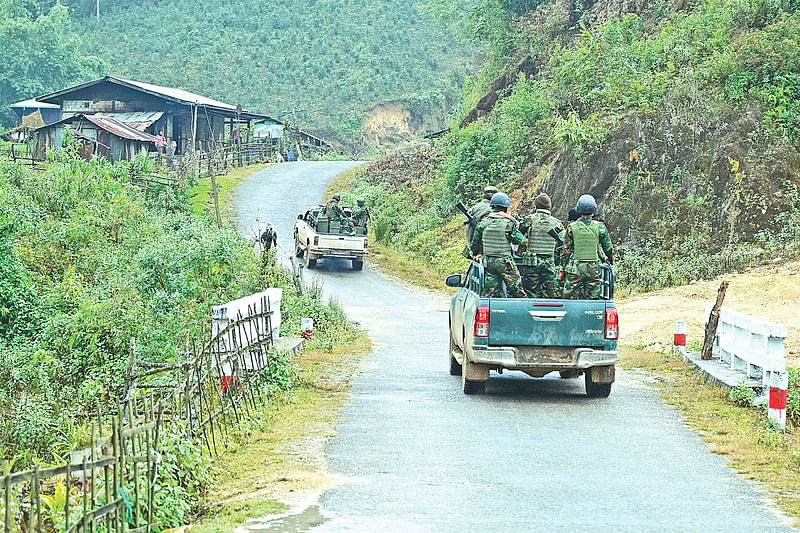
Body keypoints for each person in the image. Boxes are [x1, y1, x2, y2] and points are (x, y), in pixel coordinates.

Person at [471, 192, 527, 298]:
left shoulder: (483, 224)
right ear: (505, 208)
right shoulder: (508, 224)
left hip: (489, 263)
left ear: (492, 206)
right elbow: (522, 242)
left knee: (491, 295)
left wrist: (479, 254)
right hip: (506, 263)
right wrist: (520, 253)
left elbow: (475, 244)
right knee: (518, 293)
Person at [562, 194, 614, 300]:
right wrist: (611, 260)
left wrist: (562, 270)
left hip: (575, 269)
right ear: (594, 209)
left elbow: (566, 251)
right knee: (593, 301)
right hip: (593, 269)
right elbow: (608, 248)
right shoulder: (600, 227)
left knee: (570, 300)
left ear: (578, 209)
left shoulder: (571, 228)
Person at [519, 193, 564, 298]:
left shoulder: (528, 219)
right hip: (549, 261)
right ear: (549, 206)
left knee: (531, 292)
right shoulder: (557, 223)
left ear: (536, 205)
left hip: (531, 262)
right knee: (549, 293)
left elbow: (519, 232)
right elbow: (563, 242)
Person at [463, 185, 498, 258]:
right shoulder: (490, 210)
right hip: (482, 250)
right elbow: (486, 232)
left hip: (472, 246)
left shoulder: (475, 207)